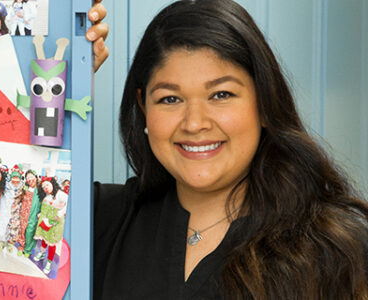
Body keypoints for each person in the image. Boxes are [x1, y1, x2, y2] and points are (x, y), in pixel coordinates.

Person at [93, 0, 368, 299]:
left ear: (264, 102)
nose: (195, 123)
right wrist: (56, 79)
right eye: (170, 99)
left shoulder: (335, 247)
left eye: (221, 94)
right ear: (144, 107)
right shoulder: (96, 220)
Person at [33, 177, 67, 274]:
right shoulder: (47, 196)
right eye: (43, 187)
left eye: (47, 185)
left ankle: (49, 262)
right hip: (47, 220)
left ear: (52, 183)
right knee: (44, 238)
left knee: (52, 242)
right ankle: (42, 253)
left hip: (57, 222)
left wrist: (60, 214)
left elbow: (69, 203)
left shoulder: (61, 195)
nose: (45, 188)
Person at [8, 169, 39, 257]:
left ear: (36, 177)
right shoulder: (25, 188)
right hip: (23, 213)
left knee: (30, 231)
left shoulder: (40, 189)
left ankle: (28, 249)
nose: (30, 179)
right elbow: (17, 197)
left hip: (33, 214)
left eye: (31, 177)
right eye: (28, 178)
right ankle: (21, 246)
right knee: (22, 230)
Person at [0, 164, 23, 252]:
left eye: (17, 178)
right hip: (3, 210)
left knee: (13, 229)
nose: (15, 180)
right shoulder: (5, 186)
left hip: (14, 212)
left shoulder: (22, 188)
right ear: (10, 178)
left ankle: (10, 243)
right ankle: (0, 242)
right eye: (13, 177)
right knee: (1, 226)